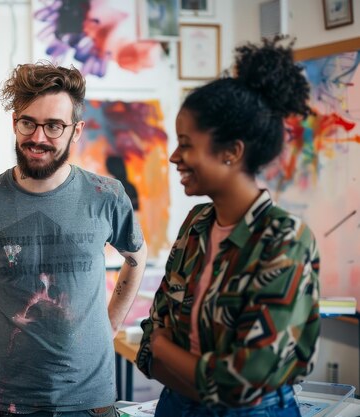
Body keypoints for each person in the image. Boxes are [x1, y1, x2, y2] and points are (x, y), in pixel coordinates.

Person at [0, 62, 148, 416]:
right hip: (6, 400)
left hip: (91, 400)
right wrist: (2, 330)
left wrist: (109, 323)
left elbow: (135, 258)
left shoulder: (107, 195)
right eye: (28, 123)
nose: (38, 137)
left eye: (53, 126)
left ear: (76, 130)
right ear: (14, 123)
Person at [135, 36, 320, 416]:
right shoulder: (197, 223)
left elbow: (242, 384)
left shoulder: (284, 239)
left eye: (186, 144)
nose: (174, 157)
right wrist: (168, 356)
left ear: (232, 152)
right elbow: (151, 338)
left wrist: (167, 350)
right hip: (174, 406)